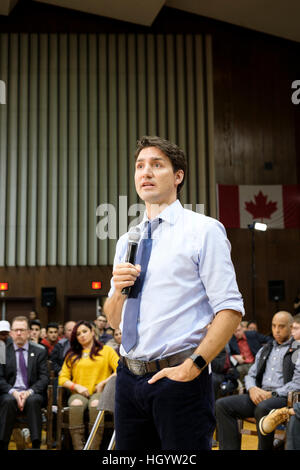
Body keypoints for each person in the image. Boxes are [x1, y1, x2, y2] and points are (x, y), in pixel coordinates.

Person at [103, 135, 244, 450]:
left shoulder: (203, 230)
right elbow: (114, 321)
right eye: (140, 166)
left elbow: (230, 308)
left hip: (179, 379)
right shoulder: (128, 240)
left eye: (157, 165)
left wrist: (193, 365)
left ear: (178, 176)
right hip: (128, 377)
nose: (146, 173)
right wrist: (119, 292)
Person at [215, 311, 300, 450]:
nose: (276, 330)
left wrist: (272, 394)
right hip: (259, 394)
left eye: (281, 326)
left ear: (291, 328)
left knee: (263, 407)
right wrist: (252, 389)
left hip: (282, 399)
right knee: (222, 405)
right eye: (273, 326)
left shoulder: (297, 349)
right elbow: (250, 375)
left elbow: (297, 382)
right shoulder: (266, 348)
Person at [58, 320, 119, 450]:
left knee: (95, 404)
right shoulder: (72, 354)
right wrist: (76, 387)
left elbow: (120, 369)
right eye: (78, 334)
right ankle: (79, 447)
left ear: (92, 332)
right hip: (78, 394)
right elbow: (62, 378)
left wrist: (104, 382)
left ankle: (93, 447)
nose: (82, 335)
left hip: (100, 393)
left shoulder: (106, 350)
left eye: (85, 331)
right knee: (76, 404)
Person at [0, 316, 49, 450]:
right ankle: (3, 443)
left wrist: (28, 392)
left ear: (28, 332)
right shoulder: (3, 350)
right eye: (16, 330)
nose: (19, 333)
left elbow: (44, 378)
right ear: (11, 333)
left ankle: (36, 444)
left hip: (32, 391)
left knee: (33, 400)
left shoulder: (39, 351)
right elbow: (0, 378)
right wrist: (15, 393)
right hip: (10, 391)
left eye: (22, 330)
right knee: (8, 401)